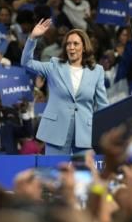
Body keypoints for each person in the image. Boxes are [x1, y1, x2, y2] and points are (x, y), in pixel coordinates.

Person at [21, 18, 109, 155]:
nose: (71, 47)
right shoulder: (54, 66)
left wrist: (104, 132)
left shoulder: (97, 71)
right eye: (68, 44)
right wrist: (32, 38)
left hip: (85, 134)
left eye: (75, 43)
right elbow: (26, 62)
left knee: (84, 174)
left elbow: (103, 105)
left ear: (84, 47)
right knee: (55, 173)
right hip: (56, 131)